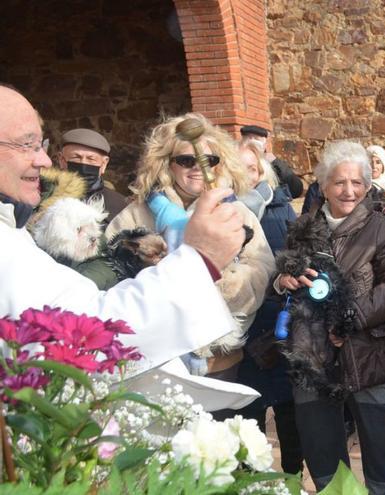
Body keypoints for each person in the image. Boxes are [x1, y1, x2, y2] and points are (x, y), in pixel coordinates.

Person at [0, 85, 255, 409]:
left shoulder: (10, 228)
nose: (44, 160)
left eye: (42, 145)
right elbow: (84, 335)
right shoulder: (131, 214)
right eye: (27, 145)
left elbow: (257, 270)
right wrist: (200, 261)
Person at [275, 141, 385, 494]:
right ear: (323, 186)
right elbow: (284, 276)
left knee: (379, 440)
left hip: (370, 353)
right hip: (312, 355)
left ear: (368, 186)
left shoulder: (384, 227)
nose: (348, 190)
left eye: (356, 182)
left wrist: (351, 318)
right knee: (321, 444)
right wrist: (282, 280)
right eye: (339, 182)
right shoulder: (303, 228)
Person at [106, 112, 274, 382]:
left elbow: (262, 268)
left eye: (209, 160)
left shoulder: (235, 211)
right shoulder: (136, 215)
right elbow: (108, 272)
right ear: (167, 165)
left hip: (219, 357)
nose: (198, 167)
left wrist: (221, 283)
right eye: (186, 160)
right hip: (156, 359)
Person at [232, 137, 303, 474]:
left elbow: (295, 259)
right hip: (243, 328)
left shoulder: (281, 208)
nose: (247, 174)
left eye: (253, 167)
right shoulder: (224, 211)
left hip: (278, 325)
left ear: (263, 170)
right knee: (248, 415)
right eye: (240, 167)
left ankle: (291, 477)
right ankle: (253, 479)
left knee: (289, 415)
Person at [55, 128, 129, 220]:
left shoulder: (121, 207)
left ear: (104, 164)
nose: (83, 164)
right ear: (61, 160)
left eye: (91, 159)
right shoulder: (44, 200)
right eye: (76, 157)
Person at [239, 124, 303, 199]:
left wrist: (275, 162)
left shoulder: (273, 165)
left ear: (264, 145)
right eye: (248, 139)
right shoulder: (235, 162)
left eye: (256, 139)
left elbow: (296, 189)